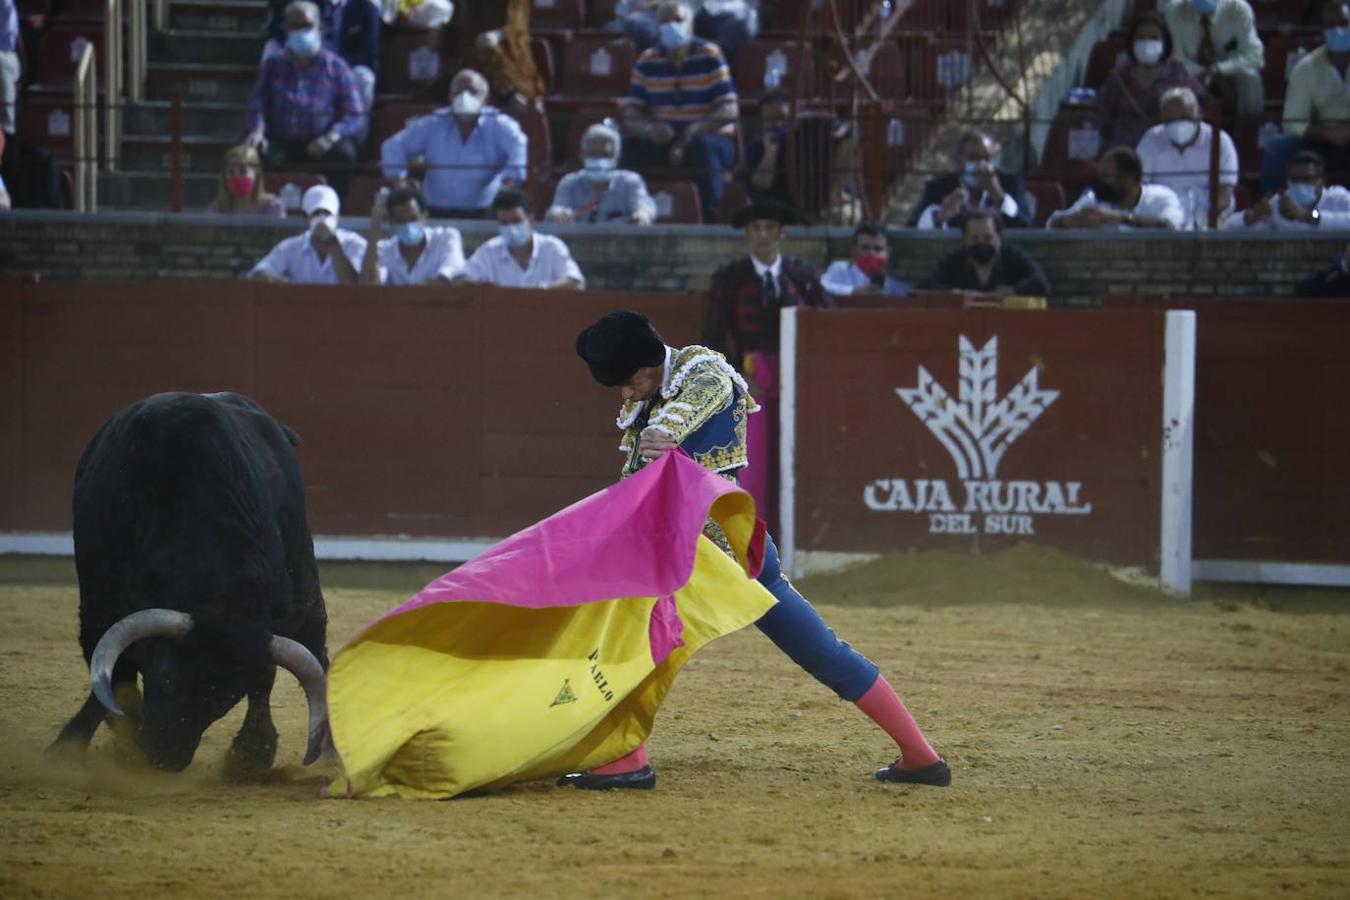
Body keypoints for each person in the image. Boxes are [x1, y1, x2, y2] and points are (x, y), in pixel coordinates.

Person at [562, 310, 951, 791]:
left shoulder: (703, 373)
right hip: (735, 548)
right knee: (820, 650)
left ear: (645, 366)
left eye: (626, 381)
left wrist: (662, 434)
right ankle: (920, 756)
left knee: (630, 641)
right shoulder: (652, 395)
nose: (624, 393)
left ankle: (626, 761)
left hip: (703, 556)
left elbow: (682, 418)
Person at [705, 201, 830, 530]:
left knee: (797, 453)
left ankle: (796, 534)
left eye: (769, 228)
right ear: (748, 234)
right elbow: (714, 333)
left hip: (798, 374)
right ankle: (753, 538)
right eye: (756, 228)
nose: (762, 235)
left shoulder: (801, 276)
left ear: (781, 233)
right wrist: (739, 377)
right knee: (754, 460)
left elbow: (827, 322)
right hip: (753, 374)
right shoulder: (730, 277)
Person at [622, 1, 739, 224]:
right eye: (665, 21)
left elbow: (729, 109)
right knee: (628, 150)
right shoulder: (647, 60)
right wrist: (649, 128)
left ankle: (711, 220)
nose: (671, 26)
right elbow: (632, 114)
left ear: (691, 25)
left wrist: (693, 131)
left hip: (707, 136)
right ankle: (633, 216)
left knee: (703, 149)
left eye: (677, 20)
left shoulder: (709, 55)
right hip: (663, 138)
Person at [244, 1, 364, 199]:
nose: (301, 32)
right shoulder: (273, 64)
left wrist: (331, 137)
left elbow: (355, 114)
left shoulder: (336, 66)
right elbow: (257, 103)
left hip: (320, 142)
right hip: (281, 140)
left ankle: (333, 209)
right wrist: (257, 130)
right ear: (285, 29)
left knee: (345, 155)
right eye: (295, 27)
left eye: (307, 26)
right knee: (253, 152)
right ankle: (264, 208)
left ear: (320, 28)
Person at [380, 68, 528, 219]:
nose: (464, 97)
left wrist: (505, 192)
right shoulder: (433, 123)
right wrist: (401, 186)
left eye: (472, 92)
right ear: (449, 97)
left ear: (486, 98)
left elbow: (518, 152)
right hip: (435, 211)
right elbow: (393, 146)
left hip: (485, 212)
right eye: (458, 92)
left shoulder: (500, 125)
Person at [1260, 1, 1350, 194]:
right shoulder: (1305, 69)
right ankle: (1273, 214)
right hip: (1321, 142)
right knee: (1277, 149)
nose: (1338, 30)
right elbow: (1293, 122)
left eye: (1343, 24)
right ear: (1322, 30)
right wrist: (1327, 133)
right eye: (1330, 26)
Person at [1095, 12, 1206, 151]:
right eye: (1141, 38)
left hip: (1168, 151)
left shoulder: (1177, 72)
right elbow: (1101, 118)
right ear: (1132, 42)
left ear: (1164, 42)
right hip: (1126, 155)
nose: (1147, 43)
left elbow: (1199, 104)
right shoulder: (1118, 77)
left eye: (1154, 38)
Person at [1136, 86, 1237, 227]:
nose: (1177, 125)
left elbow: (1225, 193)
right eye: (1170, 120)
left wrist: (1201, 217)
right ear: (1161, 118)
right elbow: (1139, 187)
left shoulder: (1220, 140)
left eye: (1184, 118)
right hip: (1163, 214)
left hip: (1208, 213)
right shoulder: (1151, 139)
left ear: (1199, 115)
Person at [264, 0, 380, 119]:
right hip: (302, 59)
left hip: (344, 66)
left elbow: (368, 54)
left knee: (365, 77)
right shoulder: (304, 6)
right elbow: (276, 30)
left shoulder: (366, 8)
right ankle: (271, 121)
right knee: (271, 48)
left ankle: (356, 131)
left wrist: (334, 65)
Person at [459, 187, 585, 289]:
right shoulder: (489, 250)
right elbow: (461, 279)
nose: (511, 227)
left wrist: (542, 290)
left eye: (516, 220)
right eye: (504, 223)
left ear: (530, 218)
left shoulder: (552, 247)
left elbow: (576, 282)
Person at [907, 130, 1031, 230]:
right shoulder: (939, 187)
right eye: (973, 158)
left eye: (987, 158)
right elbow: (911, 229)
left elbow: (1026, 228)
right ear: (958, 161)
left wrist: (998, 196)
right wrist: (938, 217)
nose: (981, 165)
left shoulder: (1010, 183)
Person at [1163, 0, 1264, 117]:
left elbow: (1255, 56)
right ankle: (1184, 127)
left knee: (1251, 77)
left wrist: (1219, 68)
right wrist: (1203, 71)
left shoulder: (1238, 8)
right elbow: (1177, 58)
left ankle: (1248, 129)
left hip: (1229, 69)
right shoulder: (1174, 10)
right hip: (1193, 70)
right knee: (1175, 77)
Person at [247, 184, 365, 283]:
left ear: (337, 216)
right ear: (306, 218)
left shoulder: (355, 244)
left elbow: (355, 284)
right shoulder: (289, 248)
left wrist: (332, 242)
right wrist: (282, 283)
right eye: (316, 213)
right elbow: (257, 274)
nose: (322, 219)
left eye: (327, 213)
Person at [545, 122, 657, 225]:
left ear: (616, 159)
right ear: (582, 156)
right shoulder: (570, 182)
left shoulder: (630, 182)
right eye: (592, 154)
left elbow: (644, 208)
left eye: (605, 155)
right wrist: (558, 215)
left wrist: (642, 215)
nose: (598, 161)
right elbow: (556, 210)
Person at [1047, 147, 1185, 230]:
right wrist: (1069, 220)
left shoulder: (1161, 197)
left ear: (1128, 179)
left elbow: (1170, 226)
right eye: (1098, 175)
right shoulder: (1093, 198)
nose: (1099, 181)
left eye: (1106, 176)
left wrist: (1118, 218)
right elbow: (1051, 223)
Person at [921, 210, 1051, 297]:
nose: (981, 243)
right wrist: (955, 294)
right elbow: (926, 286)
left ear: (1000, 236)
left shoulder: (1013, 258)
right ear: (964, 239)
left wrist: (1011, 292)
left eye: (987, 238)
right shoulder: (953, 260)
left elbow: (1040, 283)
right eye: (974, 239)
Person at [360, 181, 465, 285]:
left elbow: (452, 274)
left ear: (425, 216)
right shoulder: (383, 250)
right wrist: (375, 227)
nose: (408, 226)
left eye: (413, 219)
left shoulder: (446, 238)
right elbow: (369, 283)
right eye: (400, 221)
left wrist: (413, 293)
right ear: (391, 222)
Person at [449, 0, 545, 110]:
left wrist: (498, 35)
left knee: (489, 52)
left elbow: (518, 26)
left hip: (508, 52)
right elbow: (458, 23)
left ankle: (511, 94)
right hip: (470, 52)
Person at [1226, 150, 1350, 230]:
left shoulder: (1338, 197)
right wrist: (1252, 217)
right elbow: (1228, 226)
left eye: (1307, 179)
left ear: (1322, 181)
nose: (1300, 184)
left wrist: (1308, 215)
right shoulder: (1279, 203)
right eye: (1294, 179)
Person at [821, 222, 911, 298]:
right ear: (853, 250)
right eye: (865, 248)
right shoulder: (841, 269)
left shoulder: (896, 279)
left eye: (878, 249)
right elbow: (822, 287)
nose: (871, 253)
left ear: (888, 252)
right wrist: (853, 292)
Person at [206, 144, 286, 217]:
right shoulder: (217, 209)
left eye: (243, 171)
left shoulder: (272, 206)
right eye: (231, 172)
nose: (237, 177)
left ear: (256, 174)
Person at [1, 0, 18, 136]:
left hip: (6, 53)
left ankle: (7, 129)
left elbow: (7, 43)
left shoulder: (4, 3)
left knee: (2, 63)